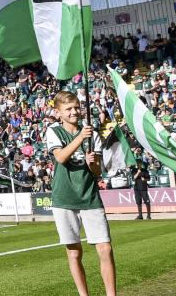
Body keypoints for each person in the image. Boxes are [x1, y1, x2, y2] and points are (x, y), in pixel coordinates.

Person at [45, 91, 116, 296]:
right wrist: (80, 138)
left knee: (105, 248)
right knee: (74, 253)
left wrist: (92, 163)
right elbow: (60, 157)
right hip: (64, 198)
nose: (74, 112)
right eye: (68, 109)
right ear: (58, 112)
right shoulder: (54, 131)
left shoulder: (91, 133)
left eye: (76, 107)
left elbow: (97, 171)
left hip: (89, 196)